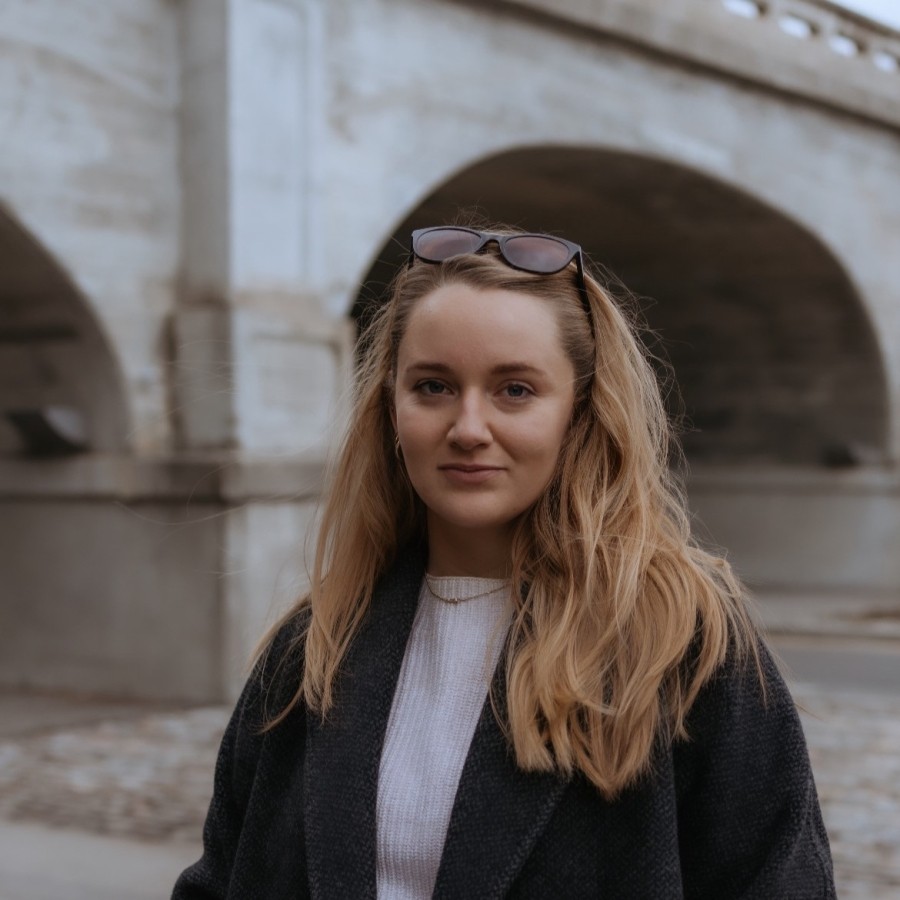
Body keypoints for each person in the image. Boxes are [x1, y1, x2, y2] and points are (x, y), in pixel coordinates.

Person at [173, 224, 836, 898]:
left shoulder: (679, 640)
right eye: (432, 386)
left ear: (580, 412)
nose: (467, 427)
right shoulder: (313, 647)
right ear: (389, 409)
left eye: (514, 390)